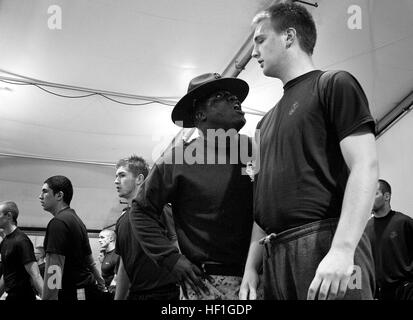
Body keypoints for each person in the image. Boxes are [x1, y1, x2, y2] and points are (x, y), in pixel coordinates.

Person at [240, 2, 378, 300]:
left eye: (260, 40)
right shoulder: (263, 124)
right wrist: (252, 266)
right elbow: (263, 204)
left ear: (289, 37)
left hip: (325, 242)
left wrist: (343, 249)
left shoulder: (334, 84)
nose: (253, 52)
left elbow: (365, 165)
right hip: (275, 254)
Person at [129, 73, 254, 299]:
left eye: (234, 96)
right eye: (221, 97)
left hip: (260, 275)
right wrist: (170, 258)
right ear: (200, 114)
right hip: (207, 284)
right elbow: (140, 210)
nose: (235, 100)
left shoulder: (253, 149)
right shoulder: (177, 160)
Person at [114, 155, 179, 300]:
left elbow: (177, 246)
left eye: (122, 175)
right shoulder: (121, 222)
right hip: (136, 293)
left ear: (139, 179)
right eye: (116, 176)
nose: (116, 181)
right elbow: (124, 265)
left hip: (165, 293)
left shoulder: (161, 210)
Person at [39, 175, 106, 300]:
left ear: (59, 195)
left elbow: (54, 268)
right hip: (86, 290)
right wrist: (100, 281)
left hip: (76, 293)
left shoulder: (58, 223)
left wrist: (48, 298)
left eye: (45, 191)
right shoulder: (76, 220)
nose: (40, 196)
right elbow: (89, 260)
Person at [365, 179, 413, 300]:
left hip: (406, 290)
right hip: (380, 294)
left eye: (374, 194)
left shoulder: (404, 222)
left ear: (386, 196)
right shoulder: (365, 229)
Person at [0, 201, 43, 300]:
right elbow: (6, 274)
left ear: (9, 216)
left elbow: (35, 275)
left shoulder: (21, 240)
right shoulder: (5, 242)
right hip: (10, 296)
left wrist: (47, 297)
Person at [98, 229, 119, 295]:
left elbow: (116, 280)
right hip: (105, 288)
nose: (99, 240)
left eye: (102, 237)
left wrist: (108, 292)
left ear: (111, 238)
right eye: (99, 237)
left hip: (112, 292)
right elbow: (107, 271)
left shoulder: (117, 255)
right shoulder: (104, 253)